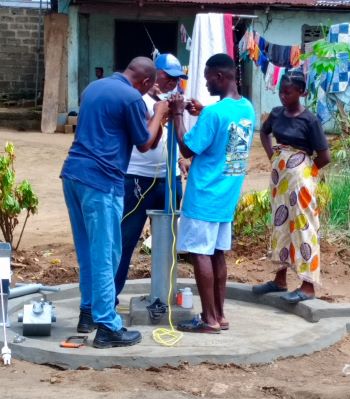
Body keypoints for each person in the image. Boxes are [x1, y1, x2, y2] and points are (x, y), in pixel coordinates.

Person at [61, 57, 169, 348]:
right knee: (107, 252)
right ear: (146, 82)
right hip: (101, 182)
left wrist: (151, 114)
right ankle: (108, 326)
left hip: (73, 175)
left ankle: (88, 313)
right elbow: (145, 143)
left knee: (87, 248)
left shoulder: (93, 88)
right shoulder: (132, 97)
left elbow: (114, 128)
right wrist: (159, 111)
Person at [169, 53, 256, 333]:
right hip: (226, 196)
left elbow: (187, 148)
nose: (205, 84)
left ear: (220, 77)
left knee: (199, 254)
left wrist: (178, 114)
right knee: (218, 254)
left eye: (208, 79)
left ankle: (208, 320)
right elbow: (223, 128)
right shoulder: (246, 109)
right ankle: (220, 314)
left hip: (204, 194)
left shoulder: (214, 114)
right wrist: (203, 111)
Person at [114, 54, 189, 305]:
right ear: (153, 76)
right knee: (125, 240)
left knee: (169, 241)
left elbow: (178, 137)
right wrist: (160, 111)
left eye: (178, 79)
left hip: (169, 179)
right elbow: (146, 137)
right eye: (169, 77)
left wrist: (181, 159)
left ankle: (164, 295)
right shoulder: (138, 99)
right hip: (137, 178)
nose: (174, 83)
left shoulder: (176, 102)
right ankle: (109, 299)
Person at [252, 70, 331, 303]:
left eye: (288, 92)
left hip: (300, 181)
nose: (283, 96)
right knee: (280, 224)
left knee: (304, 226)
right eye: (280, 92)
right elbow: (265, 133)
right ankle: (280, 280)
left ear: (301, 92)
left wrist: (305, 170)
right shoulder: (277, 114)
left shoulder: (310, 120)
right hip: (280, 179)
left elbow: (325, 156)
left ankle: (307, 287)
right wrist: (272, 157)